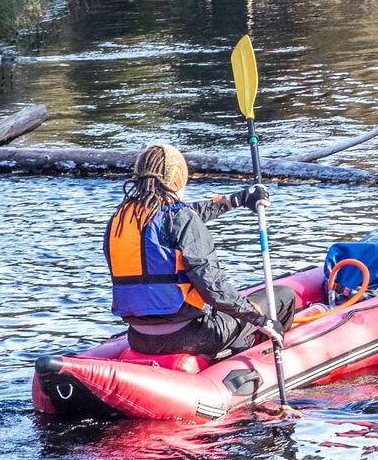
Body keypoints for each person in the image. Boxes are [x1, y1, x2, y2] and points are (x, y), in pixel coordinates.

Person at [104, 143, 298, 359]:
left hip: (139, 338)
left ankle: (238, 346)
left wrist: (238, 199)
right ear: (178, 178)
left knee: (231, 309)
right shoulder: (179, 219)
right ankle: (267, 357)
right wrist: (262, 320)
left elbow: (181, 216)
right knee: (283, 296)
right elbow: (214, 289)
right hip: (189, 337)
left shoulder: (119, 221)